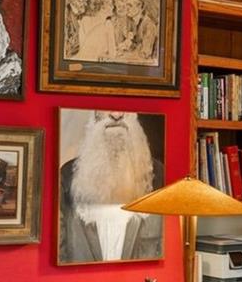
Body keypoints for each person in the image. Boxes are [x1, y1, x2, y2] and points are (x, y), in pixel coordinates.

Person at [59, 110, 164, 263]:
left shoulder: (159, 175)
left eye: (126, 108)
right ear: (95, 114)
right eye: (107, 107)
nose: (116, 114)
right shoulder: (67, 175)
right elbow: (59, 247)